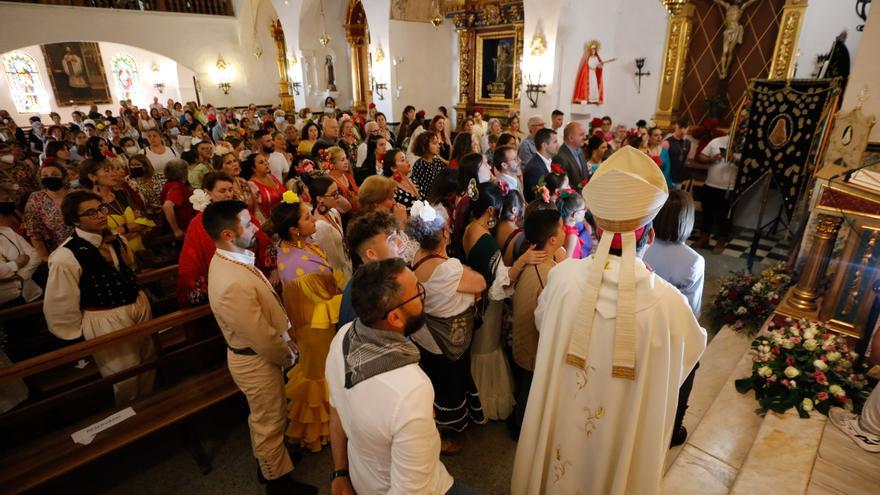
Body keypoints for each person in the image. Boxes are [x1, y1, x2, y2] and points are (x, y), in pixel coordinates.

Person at [511, 146, 706, 495]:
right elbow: (684, 362)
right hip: (618, 443)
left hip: (560, 424)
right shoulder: (669, 306)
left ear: (596, 227)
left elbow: (544, 324)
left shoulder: (563, 277)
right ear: (648, 233)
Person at [327, 258, 479, 495]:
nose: (423, 294)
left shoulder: (343, 337)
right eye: (418, 292)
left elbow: (336, 409)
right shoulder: (410, 390)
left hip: (362, 479)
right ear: (395, 318)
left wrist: (341, 472)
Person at [203, 200, 317, 495]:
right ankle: (276, 481)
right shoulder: (231, 283)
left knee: (272, 413)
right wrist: (288, 354)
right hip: (254, 359)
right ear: (228, 234)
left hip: (258, 352)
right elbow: (261, 337)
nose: (255, 226)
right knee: (269, 419)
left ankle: (273, 460)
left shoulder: (233, 258)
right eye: (247, 222)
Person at [44, 191, 156, 405]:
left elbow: (128, 267)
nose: (101, 215)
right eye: (91, 212)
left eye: (102, 208)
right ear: (75, 219)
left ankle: (150, 407)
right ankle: (131, 418)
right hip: (105, 316)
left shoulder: (116, 239)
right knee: (124, 373)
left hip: (136, 304)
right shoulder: (65, 256)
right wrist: (77, 334)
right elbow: (60, 300)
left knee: (148, 361)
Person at [407, 202, 487, 455]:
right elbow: (481, 283)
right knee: (451, 385)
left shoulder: (417, 256)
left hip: (425, 335)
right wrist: (465, 270)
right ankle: (449, 434)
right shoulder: (449, 268)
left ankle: (436, 423)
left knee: (435, 380)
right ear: (444, 234)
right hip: (450, 337)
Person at [463, 181, 546, 420]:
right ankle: (486, 402)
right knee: (486, 347)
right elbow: (500, 281)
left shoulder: (470, 229)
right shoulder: (487, 241)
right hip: (488, 303)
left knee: (480, 348)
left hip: (476, 299)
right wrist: (524, 260)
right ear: (491, 211)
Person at [266, 194, 341, 453]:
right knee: (318, 374)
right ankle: (317, 430)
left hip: (318, 316)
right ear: (294, 229)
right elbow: (324, 299)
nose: (314, 220)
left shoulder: (297, 244)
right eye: (308, 217)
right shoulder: (297, 264)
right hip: (315, 323)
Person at [643, 189, 704, 447]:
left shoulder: (643, 247)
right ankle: (672, 428)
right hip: (670, 332)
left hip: (641, 325)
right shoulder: (693, 261)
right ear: (687, 221)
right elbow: (693, 311)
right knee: (690, 368)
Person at [508, 208, 566, 440]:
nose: (565, 231)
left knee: (526, 388)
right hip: (532, 348)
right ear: (552, 239)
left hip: (523, 342)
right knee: (529, 392)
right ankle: (520, 429)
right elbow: (547, 320)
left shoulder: (535, 259)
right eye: (562, 227)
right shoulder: (546, 274)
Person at [337, 211, 405, 329]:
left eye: (397, 236)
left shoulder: (378, 278)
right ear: (372, 254)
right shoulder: (370, 297)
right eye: (392, 239)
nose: (401, 243)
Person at [23, 162, 74, 261]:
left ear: (63, 177)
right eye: (45, 175)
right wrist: (45, 257)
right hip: (60, 255)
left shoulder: (77, 195)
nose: (50, 177)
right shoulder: (36, 198)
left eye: (55, 175)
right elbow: (34, 231)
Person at [694, 134, 736, 253]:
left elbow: (749, 164)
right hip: (710, 185)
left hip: (729, 188)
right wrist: (710, 159)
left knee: (725, 217)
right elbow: (701, 156)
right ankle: (704, 238)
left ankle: (721, 241)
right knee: (707, 213)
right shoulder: (716, 141)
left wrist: (734, 159)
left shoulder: (744, 144)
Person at [309, 176, 352, 285]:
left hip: (347, 266)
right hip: (339, 277)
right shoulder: (320, 227)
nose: (338, 197)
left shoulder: (333, 212)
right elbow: (333, 262)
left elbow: (347, 207)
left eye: (338, 192)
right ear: (319, 199)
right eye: (333, 194)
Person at [0, 198, 42, 306]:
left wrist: (22, 275)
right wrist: (17, 264)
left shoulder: (7, 231)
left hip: (30, 293)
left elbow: (35, 255)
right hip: (5, 301)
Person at [126, 154, 166, 225]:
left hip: (166, 210)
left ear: (145, 166)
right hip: (149, 216)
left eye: (137, 164)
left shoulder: (158, 176)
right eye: (132, 165)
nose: (134, 167)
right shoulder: (131, 181)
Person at [248, 153, 286, 224]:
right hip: (268, 224)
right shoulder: (251, 185)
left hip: (283, 217)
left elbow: (284, 194)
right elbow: (256, 212)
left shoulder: (272, 177)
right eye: (261, 162)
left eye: (266, 161)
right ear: (253, 168)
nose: (266, 163)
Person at [523, 128, 559, 202]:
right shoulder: (534, 169)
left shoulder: (551, 161)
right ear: (544, 145)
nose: (558, 145)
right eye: (555, 142)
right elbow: (538, 198)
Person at [382, 148, 421, 212]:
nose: (407, 161)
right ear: (393, 168)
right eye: (403, 160)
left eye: (405, 158)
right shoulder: (390, 186)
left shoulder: (413, 179)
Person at [557, 188, 591, 259]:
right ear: (574, 214)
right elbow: (565, 263)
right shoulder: (571, 236)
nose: (586, 211)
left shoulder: (561, 226)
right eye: (583, 209)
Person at [411, 131, 446, 199]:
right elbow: (425, 189)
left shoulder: (436, 161)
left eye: (438, 143)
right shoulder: (420, 165)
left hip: (440, 197)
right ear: (425, 146)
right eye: (434, 143)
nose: (438, 146)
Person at [664, 118, 691, 188]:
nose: (682, 130)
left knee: (676, 197)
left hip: (679, 178)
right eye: (680, 128)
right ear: (675, 127)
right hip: (667, 176)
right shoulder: (667, 142)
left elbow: (686, 160)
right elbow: (663, 161)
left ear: (688, 128)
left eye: (685, 128)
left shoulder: (688, 143)